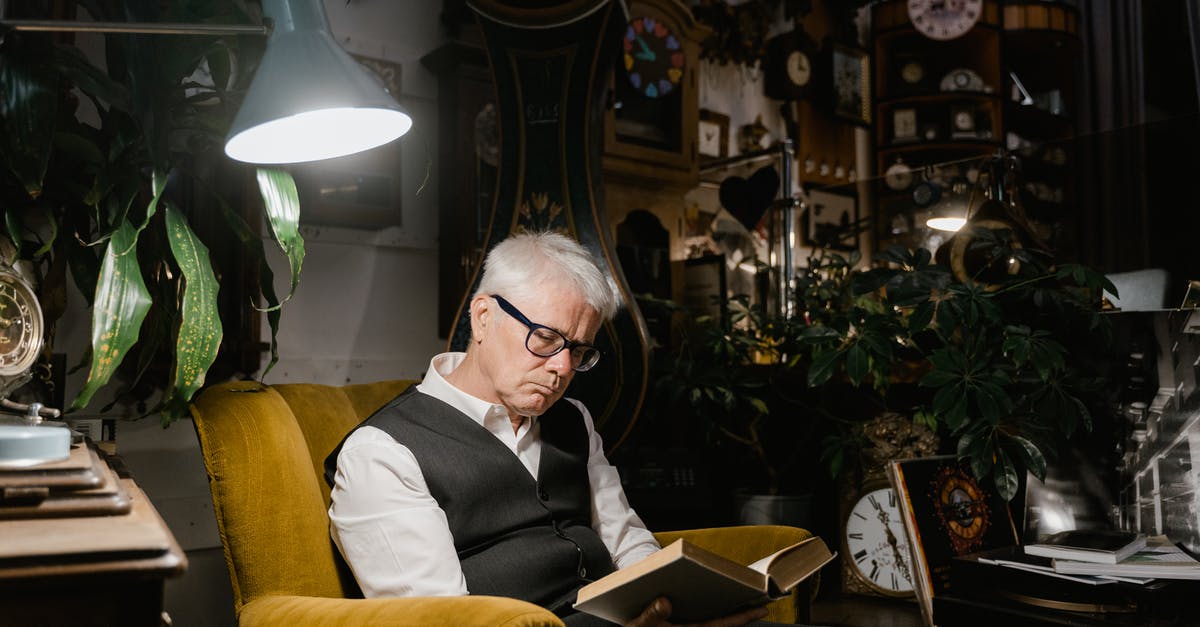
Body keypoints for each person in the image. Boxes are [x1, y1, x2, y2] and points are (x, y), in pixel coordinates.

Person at [324, 230, 769, 626]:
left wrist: (677, 603)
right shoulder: (381, 453)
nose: (561, 368)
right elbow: (442, 618)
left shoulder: (573, 418)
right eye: (545, 338)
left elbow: (626, 539)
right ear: (483, 317)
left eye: (578, 351)